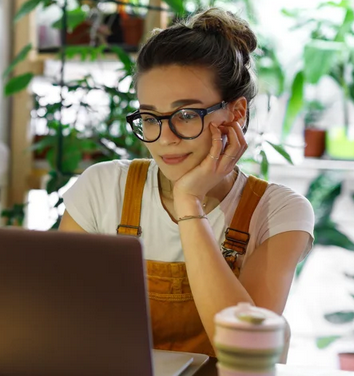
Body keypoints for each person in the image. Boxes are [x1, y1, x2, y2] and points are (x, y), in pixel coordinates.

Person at [59, 8, 314, 359]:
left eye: (186, 115)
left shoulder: (278, 212)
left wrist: (189, 202)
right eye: (150, 118)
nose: (164, 138)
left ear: (236, 112)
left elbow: (248, 351)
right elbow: (57, 321)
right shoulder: (103, 187)